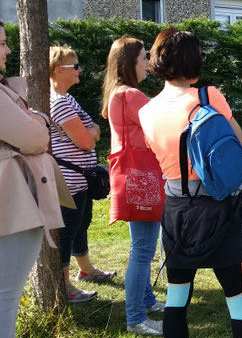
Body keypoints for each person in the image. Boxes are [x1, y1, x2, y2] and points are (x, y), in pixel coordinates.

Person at [138, 28, 242, 338]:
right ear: (194, 60)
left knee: (176, 301)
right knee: (240, 302)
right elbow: (237, 146)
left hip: (177, 212)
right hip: (220, 209)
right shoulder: (208, 96)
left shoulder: (146, 111)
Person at [0, 20, 64, 338]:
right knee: (5, 297)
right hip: (11, 210)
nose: (8, 49)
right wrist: (38, 119)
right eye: (0, 43)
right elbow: (35, 138)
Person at [101, 36, 165, 335]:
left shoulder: (117, 93)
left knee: (142, 245)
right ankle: (136, 317)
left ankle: (147, 301)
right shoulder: (131, 96)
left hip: (130, 176)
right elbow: (161, 124)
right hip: (141, 178)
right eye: (143, 58)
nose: (148, 64)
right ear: (129, 63)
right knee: (142, 250)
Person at [49, 44, 115, 303]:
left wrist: (91, 132)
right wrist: (91, 134)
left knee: (81, 225)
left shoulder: (67, 99)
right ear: (56, 70)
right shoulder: (60, 104)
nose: (80, 70)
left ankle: (85, 270)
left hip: (79, 178)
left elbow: (92, 128)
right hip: (69, 181)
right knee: (68, 230)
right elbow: (87, 140)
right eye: (74, 66)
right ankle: (65, 286)